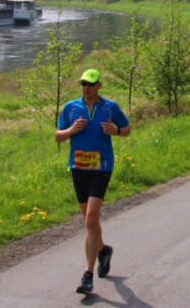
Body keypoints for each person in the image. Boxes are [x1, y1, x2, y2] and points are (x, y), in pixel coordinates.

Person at [54, 69, 131, 295]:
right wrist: (72, 130)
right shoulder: (70, 107)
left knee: (91, 219)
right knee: (89, 222)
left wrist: (115, 130)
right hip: (78, 168)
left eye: (90, 84)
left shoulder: (110, 107)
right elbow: (58, 135)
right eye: (83, 84)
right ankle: (103, 250)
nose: (86, 88)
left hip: (102, 167)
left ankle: (88, 275)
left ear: (99, 85)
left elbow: (127, 130)